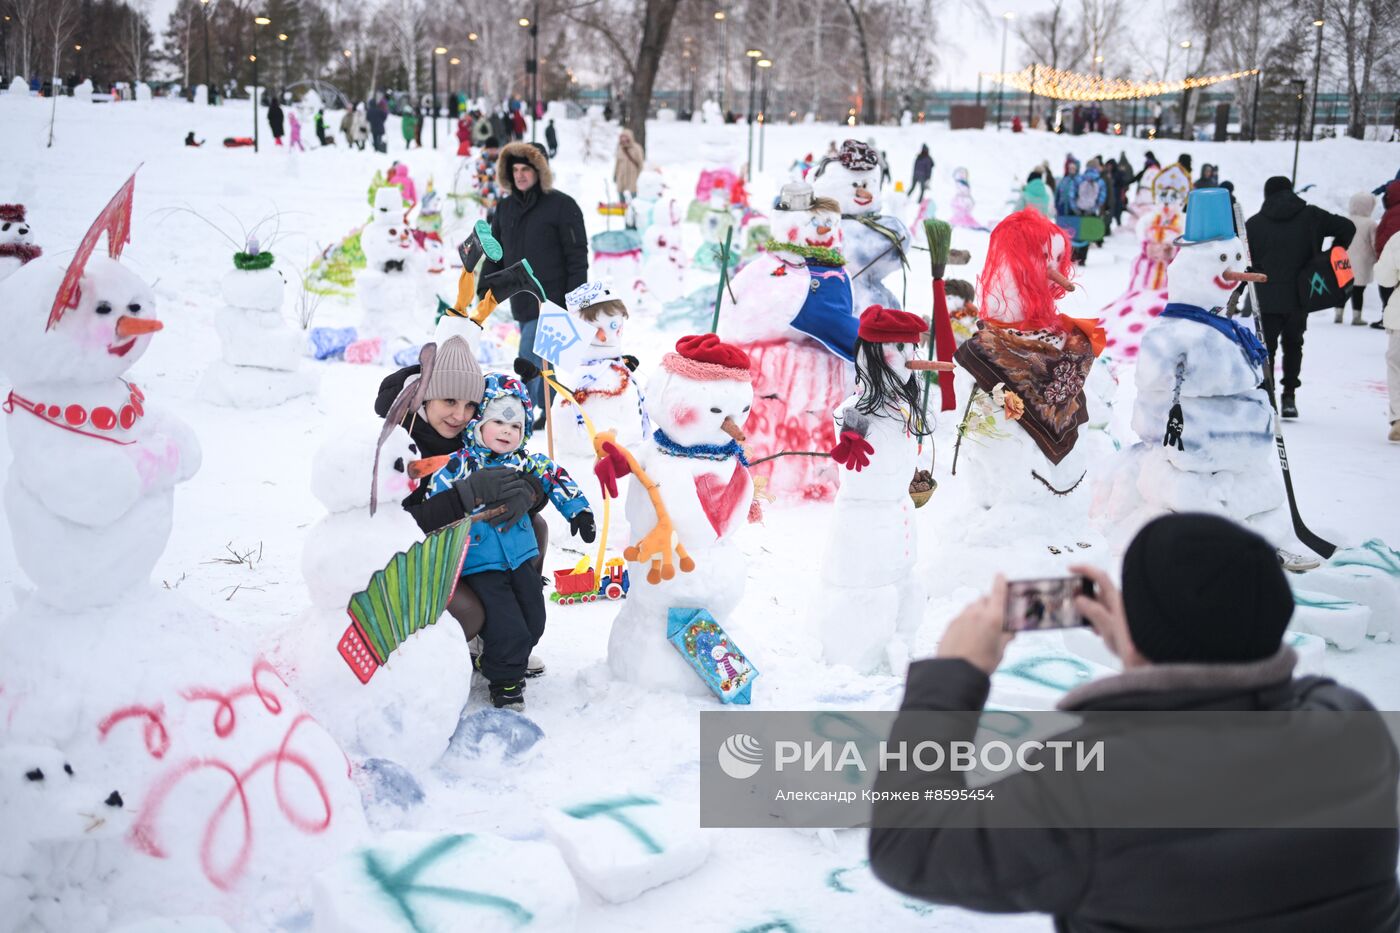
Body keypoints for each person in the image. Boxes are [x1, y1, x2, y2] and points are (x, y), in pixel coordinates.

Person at [868, 512, 1400, 931]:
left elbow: (910, 845)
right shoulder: (1352, 726)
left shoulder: (1088, 789)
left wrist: (954, 674)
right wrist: (1148, 658)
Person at [374, 337, 551, 676]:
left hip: (467, 546)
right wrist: (462, 496)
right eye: (449, 401)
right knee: (471, 611)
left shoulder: (471, 430)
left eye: (471, 404)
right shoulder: (399, 440)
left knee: (536, 526)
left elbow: (518, 464)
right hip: (409, 557)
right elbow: (395, 525)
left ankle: (505, 642)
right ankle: (429, 666)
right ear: (427, 396)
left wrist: (528, 491)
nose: (460, 415)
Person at [424, 373, 595, 709]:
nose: (507, 431)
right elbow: (437, 494)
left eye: (516, 426)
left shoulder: (525, 462)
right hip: (479, 562)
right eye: (498, 421)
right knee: (505, 620)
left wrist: (579, 511)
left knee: (534, 617)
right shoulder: (462, 463)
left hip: (520, 556)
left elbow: (556, 477)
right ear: (478, 424)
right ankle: (504, 681)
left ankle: (506, 657)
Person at [477, 142, 589, 421]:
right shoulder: (505, 208)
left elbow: (577, 255)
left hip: (552, 297)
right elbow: (495, 252)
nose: (520, 175)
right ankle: (547, 409)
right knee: (542, 358)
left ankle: (519, 414)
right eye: (515, 170)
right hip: (521, 297)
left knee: (527, 356)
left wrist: (576, 298)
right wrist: (484, 286)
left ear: (540, 171)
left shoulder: (563, 206)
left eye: (526, 169)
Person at [1245, 176, 1356, 419]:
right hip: (1301, 295)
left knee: (1267, 349)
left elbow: (1244, 261)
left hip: (1267, 297)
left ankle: (1268, 396)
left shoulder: (1253, 225)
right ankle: (1289, 397)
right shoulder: (1312, 216)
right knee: (1294, 345)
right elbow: (1348, 227)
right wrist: (1329, 256)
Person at [1338, 192, 1378, 325]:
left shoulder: (1345, 220)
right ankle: (1356, 316)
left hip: (1344, 260)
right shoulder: (1370, 223)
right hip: (1363, 261)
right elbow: (1374, 243)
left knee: (1342, 287)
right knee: (1358, 290)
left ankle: (1338, 314)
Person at [613, 128, 645, 198]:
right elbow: (617, 164)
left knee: (634, 193)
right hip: (622, 175)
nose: (623, 139)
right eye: (622, 137)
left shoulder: (637, 148)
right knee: (620, 192)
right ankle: (622, 207)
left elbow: (640, 164)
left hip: (633, 175)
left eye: (625, 137)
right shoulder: (620, 149)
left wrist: (640, 176)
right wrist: (615, 175)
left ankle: (635, 206)